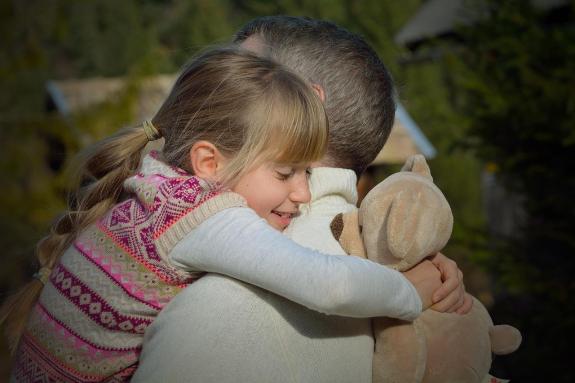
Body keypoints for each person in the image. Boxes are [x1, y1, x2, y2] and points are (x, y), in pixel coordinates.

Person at [3, 47, 441, 382]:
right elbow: (329, 284)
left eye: (308, 173)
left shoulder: (157, 185)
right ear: (209, 163)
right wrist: (409, 292)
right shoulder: (200, 216)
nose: (304, 192)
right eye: (286, 172)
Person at [132, 16, 471, 383]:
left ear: (306, 102)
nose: (212, 90)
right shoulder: (404, 274)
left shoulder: (217, 309)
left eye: (243, 72)